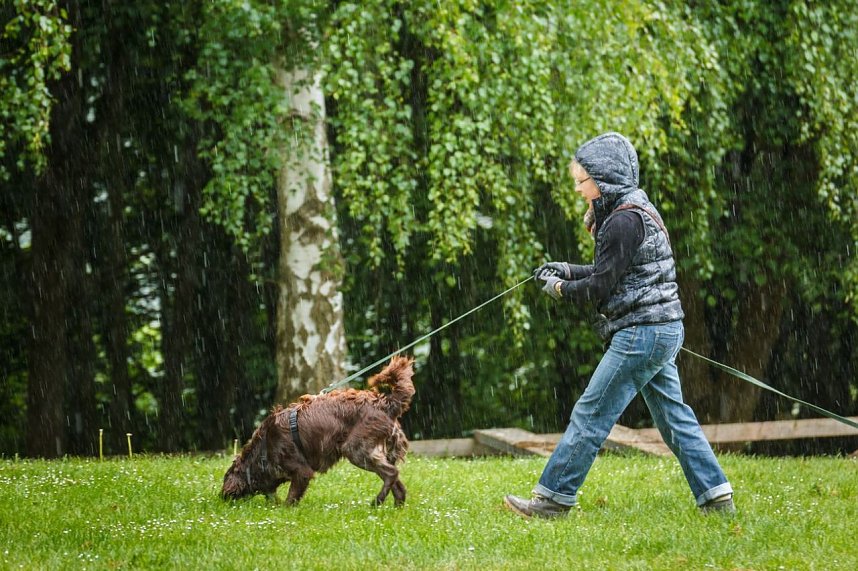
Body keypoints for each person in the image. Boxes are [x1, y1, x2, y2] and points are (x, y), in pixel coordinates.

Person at [504, 132, 734, 518]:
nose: (578, 189)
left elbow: (599, 286)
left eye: (582, 181)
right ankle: (716, 496)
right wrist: (564, 268)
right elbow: (608, 270)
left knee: (591, 414)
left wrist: (560, 288)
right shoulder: (630, 210)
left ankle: (554, 500)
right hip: (661, 329)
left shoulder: (623, 221)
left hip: (642, 334)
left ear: (604, 178)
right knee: (674, 417)